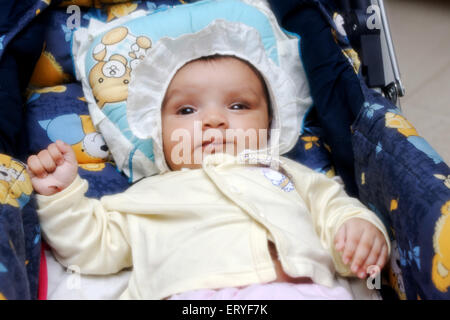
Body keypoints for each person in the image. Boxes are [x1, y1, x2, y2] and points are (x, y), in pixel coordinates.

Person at [27, 21, 390, 300]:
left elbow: (337, 211)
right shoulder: (146, 196)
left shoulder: (289, 176)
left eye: (238, 106)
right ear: (158, 131)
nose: (214, 120)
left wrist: (359, 232)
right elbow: (92, 243)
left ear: (272, 123)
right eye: (186, 109)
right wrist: (61, 194)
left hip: (303, 289)